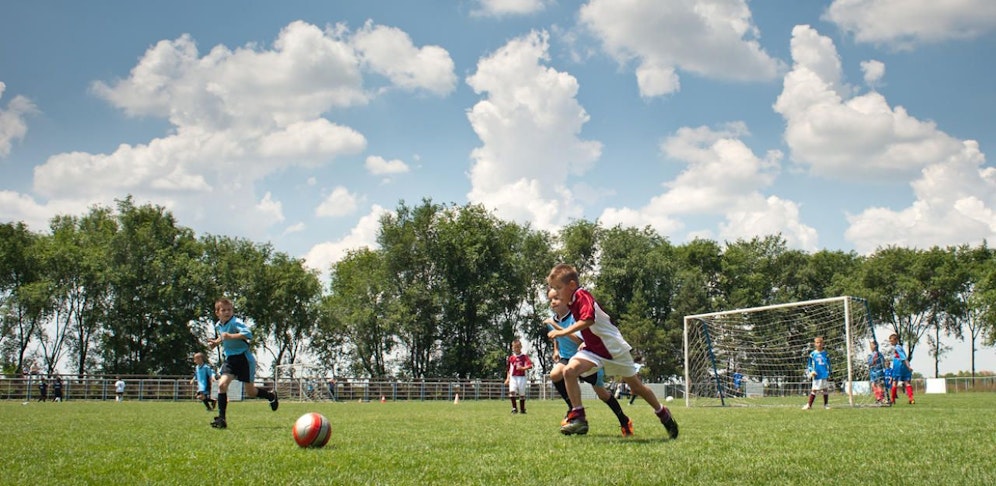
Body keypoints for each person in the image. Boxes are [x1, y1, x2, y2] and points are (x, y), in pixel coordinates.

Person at [546, 263, 678, 439]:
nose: (556, 292)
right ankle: (578, 417)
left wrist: (562, 331)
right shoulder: (570, 302)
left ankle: (662, 412)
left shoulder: (582, 295)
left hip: (614, 349)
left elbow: (588, 321)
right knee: (569, 371)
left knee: (636, 387)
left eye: (558, 288)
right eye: (554, 288)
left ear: (571, 285)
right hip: (593, 350)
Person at [545, 288, 633, 436]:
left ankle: (624, 420)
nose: (553, 302)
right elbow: (557, 338)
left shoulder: (575, 317)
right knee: (555, 374)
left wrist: (557, 328)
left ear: (566, 299)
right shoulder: (551, 320)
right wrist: (556, 349)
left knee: (602, 394)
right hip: (567, 358)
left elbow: (579, 339)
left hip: (585, 357)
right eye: (550, 300)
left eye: (557, 298)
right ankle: (575, 412)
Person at [206, 297, 279, 429]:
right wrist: (215, 343)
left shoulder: (235, 322)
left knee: (250, 392)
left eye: (229, 310)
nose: (227, 312)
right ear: (217, 312)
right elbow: (223, 337)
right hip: (230, 360)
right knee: (222, 385)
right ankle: (222, 419)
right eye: (224, 310)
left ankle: (271, 395)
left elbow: (248, 334)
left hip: (244, 359)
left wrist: (231, 336)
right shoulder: (218, 326)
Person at [505, 338, 533, 414]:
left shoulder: (524, 357)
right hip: (513, 377)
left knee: (522, 393)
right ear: (512, 348)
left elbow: (530, 366)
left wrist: (523, 368)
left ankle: (522, 409)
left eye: (518, 347)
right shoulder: (511, 358)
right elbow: (509, 369)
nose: (516, 349)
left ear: (520, 347)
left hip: (522, 377)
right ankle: (514, 408)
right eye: (514, 347)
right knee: (512, 391)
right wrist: (507, 378)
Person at [803, 336, 831, 410]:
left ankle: (826, 405)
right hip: (817, 374)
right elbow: (809, 365)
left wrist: (829, 373)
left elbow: (829, 364)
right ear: (815, 344)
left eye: (821, 342)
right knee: (814, 389)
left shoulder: (826, 354)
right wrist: (812, 371)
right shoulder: (812, 354)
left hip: (824, 374)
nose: (819, 344)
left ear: (823, 343)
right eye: (817, 342)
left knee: (825, 389)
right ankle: (809, 405)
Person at [888, 333, 915, 405]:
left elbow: (903, 358)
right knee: (906, 382)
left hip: (899, 366)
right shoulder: (899, 347)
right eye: (890, 341)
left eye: (892, 341)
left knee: (895, 382)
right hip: (903, 366)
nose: (890, 342)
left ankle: (892, 399)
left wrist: (908, 366)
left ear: (896, 340)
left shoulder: (897, 348)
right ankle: (911, 398)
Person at [866, 340, 888, 405]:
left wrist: (871, 363)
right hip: (874, 371)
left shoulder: (876, 354)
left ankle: (881, 398)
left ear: (874, 346)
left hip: (877, 372)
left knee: (877, 385)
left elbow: (872, 362)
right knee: (874, 384)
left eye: (871, 345)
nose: (870, 347)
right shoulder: (877, 354)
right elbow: (883, 362)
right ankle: (878, 397)